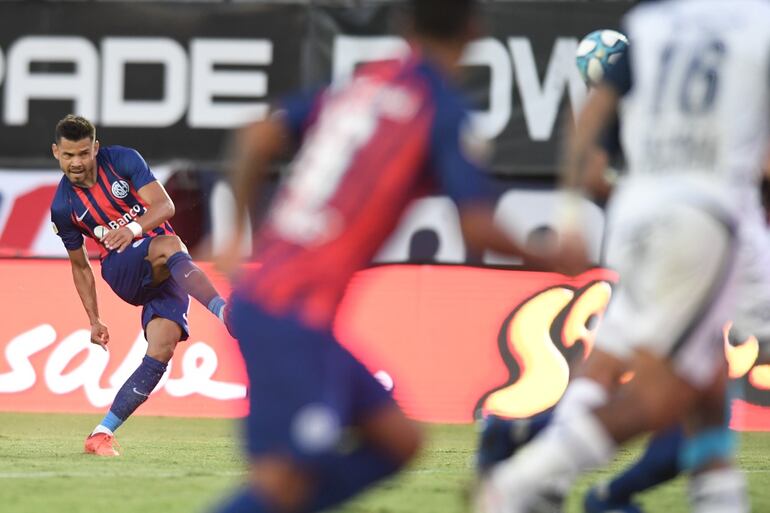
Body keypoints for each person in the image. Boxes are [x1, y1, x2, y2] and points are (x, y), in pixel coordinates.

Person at [211, 1, 547, 512]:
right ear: (476, 32)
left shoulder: (364, 83)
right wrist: (552, 253)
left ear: (406, 25)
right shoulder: (441, 107)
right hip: (288, 312)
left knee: (398, 440)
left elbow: (256, 135)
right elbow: (476, 225)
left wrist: (234, 234)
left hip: (289, 307)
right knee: (281, 486)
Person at [477, 1, 770, 512]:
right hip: (714, 216)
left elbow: (586, 128)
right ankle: (517, 483)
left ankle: (532, 443)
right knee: (667, 394)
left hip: (640, 215)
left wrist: (570, 219)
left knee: (672, 382)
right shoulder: (758, 22)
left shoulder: (648, 25)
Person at [49, 114, 230, 457]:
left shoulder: (122, 160)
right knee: (171, 245)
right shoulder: (63, 206)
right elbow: (80, 266)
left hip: (169, 271)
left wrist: (131, 229)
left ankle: (101, 433)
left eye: (84, 153)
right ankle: (225, 312)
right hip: (122, 269)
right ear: (56, 152)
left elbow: (165, 205)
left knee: (163, 347)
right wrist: (94, 319)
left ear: (95, 148)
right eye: (69, 155)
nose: (76, 163)